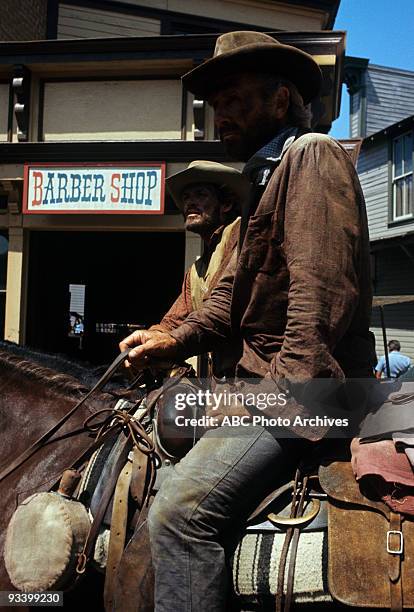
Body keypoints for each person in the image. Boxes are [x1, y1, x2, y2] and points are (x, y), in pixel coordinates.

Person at [120, 31, 376, 611]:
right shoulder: (266, 182)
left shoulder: (311, 155)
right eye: (216, 105)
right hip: (264, 386)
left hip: (307, 391)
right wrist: (169, 338)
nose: (221, 116)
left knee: (181, 510)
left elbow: (320, 298)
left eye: (234, 100)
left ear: (280, 100)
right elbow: (225, 298)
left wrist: (279, 401)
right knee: (149, 423)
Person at [148, 160, 247, 376]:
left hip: (257, 382)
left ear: (226, 204)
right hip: (221, 382)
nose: (190, 203)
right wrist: (150, 337)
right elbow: (174, 320)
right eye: (186, 198)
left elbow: (222, 310)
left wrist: (172, 341)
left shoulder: (243, 233)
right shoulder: (196, 269)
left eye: (200, 195)